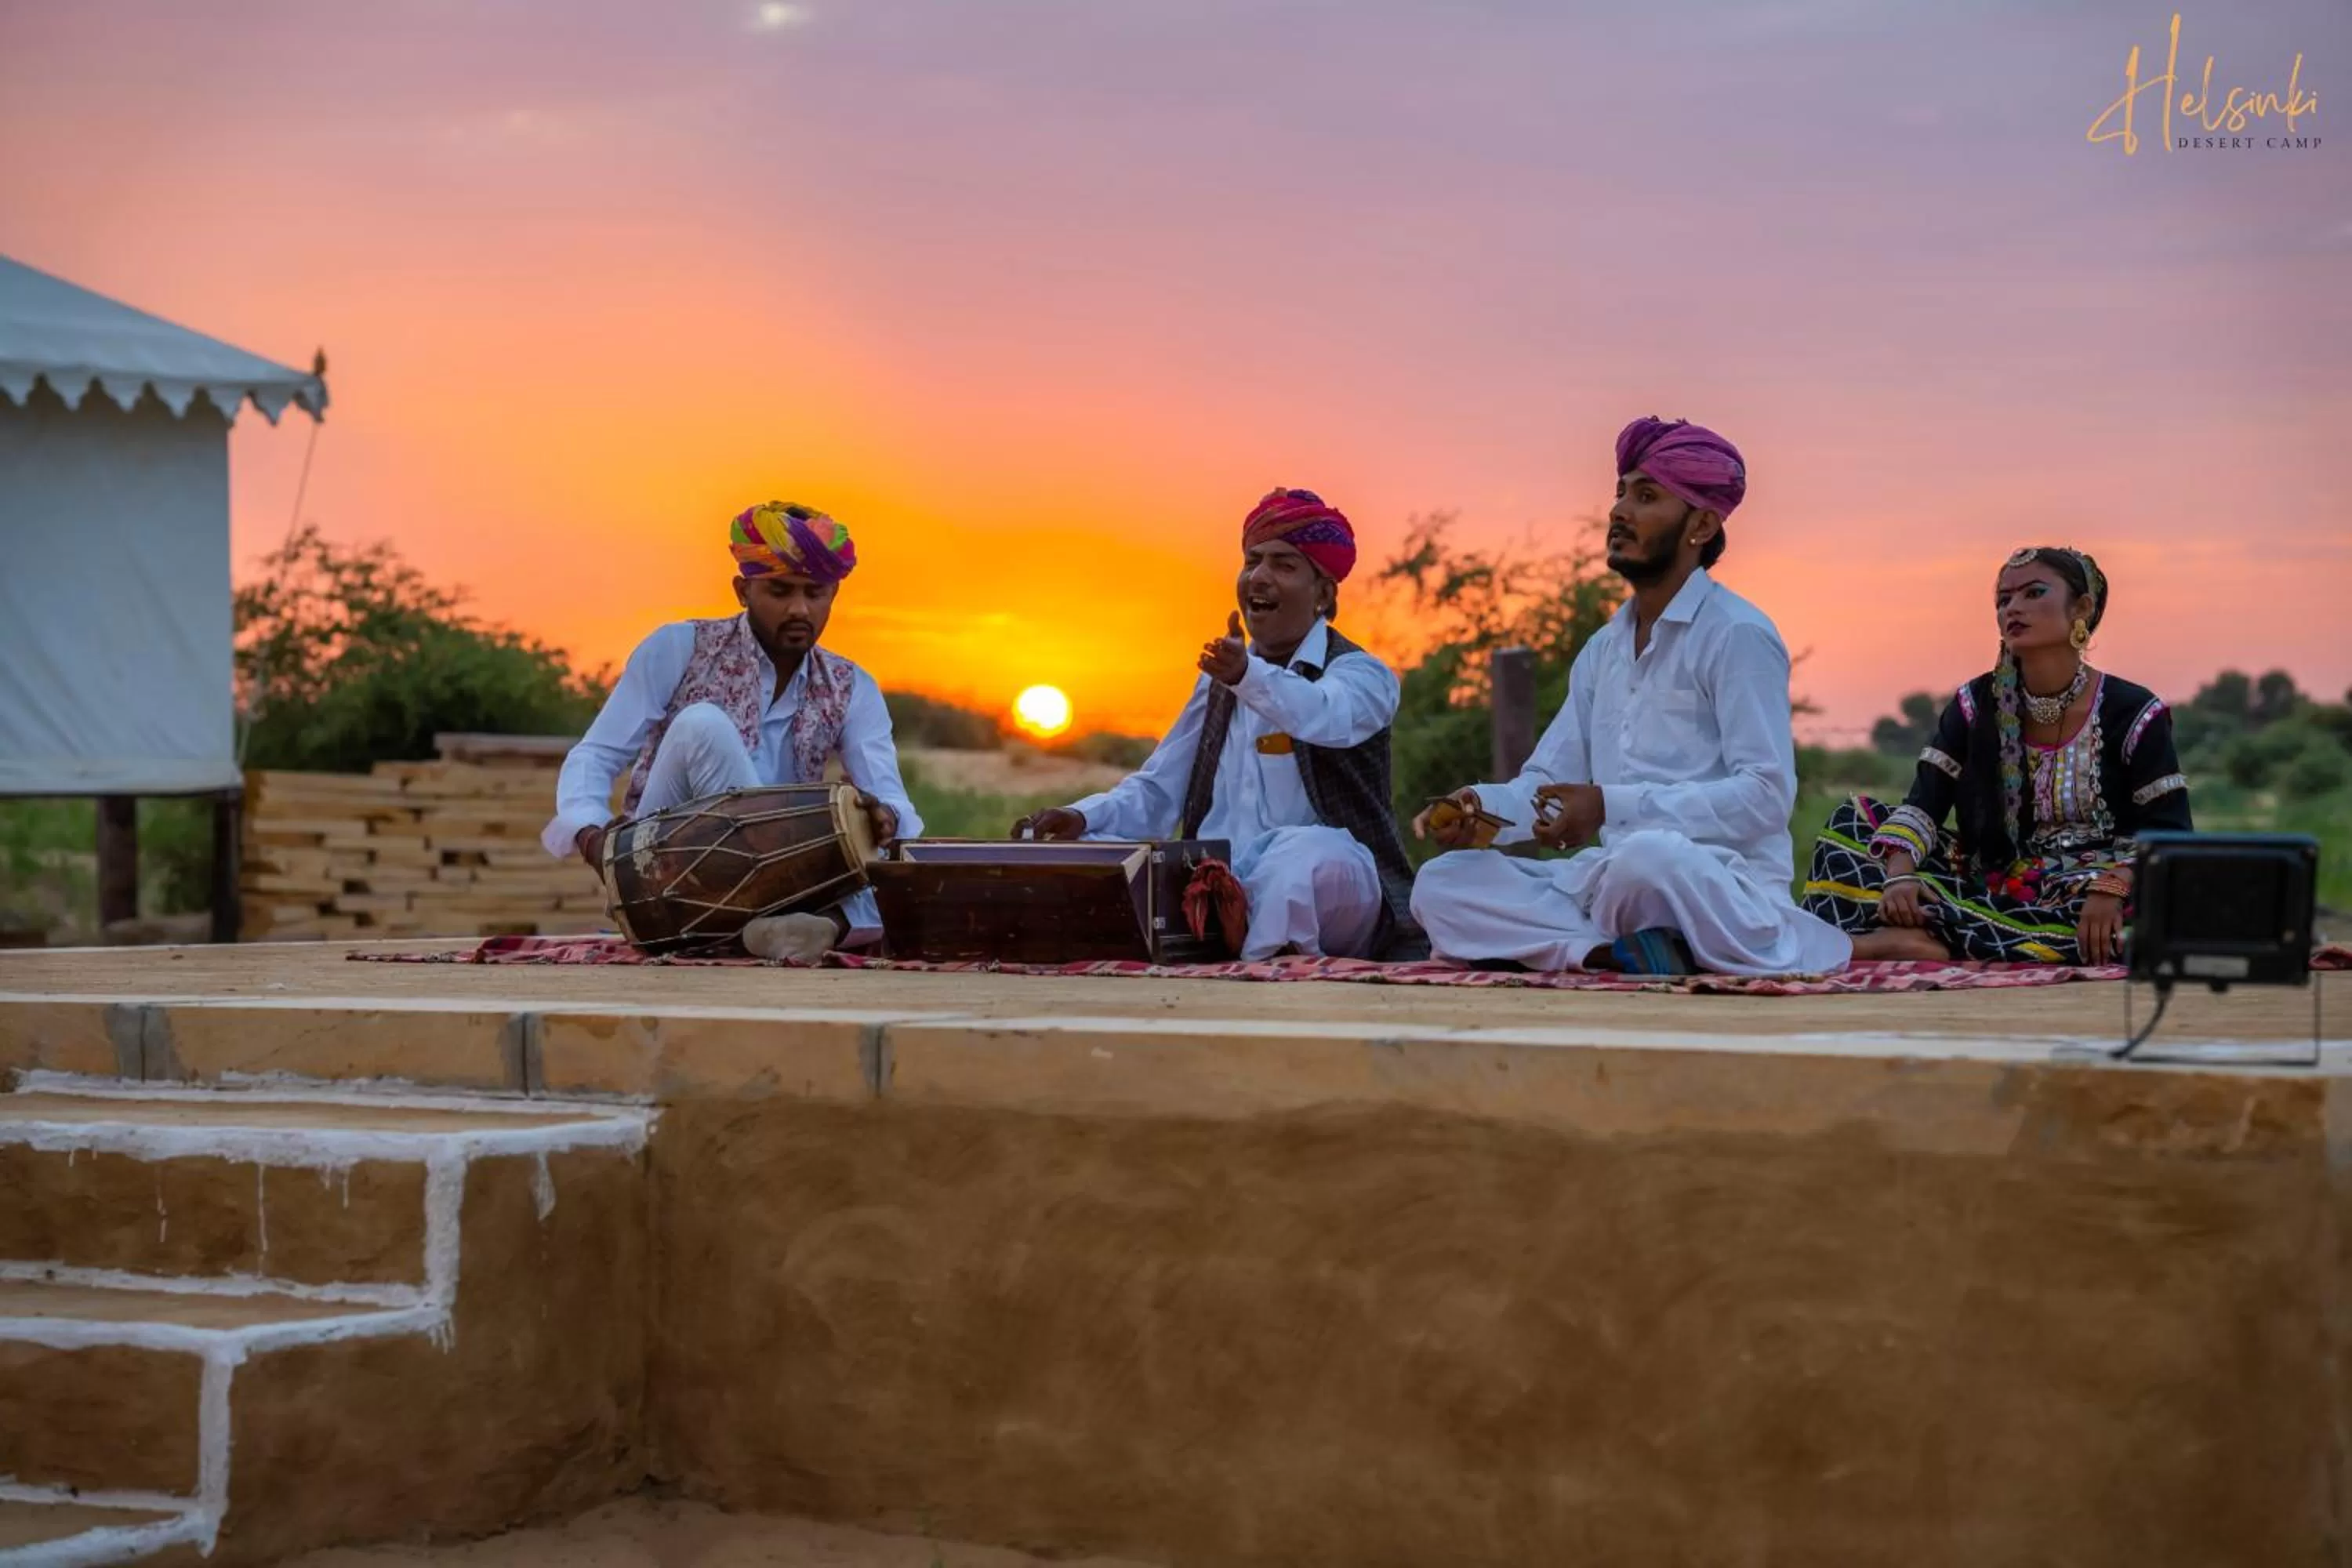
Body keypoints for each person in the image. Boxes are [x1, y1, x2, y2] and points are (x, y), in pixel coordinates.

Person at [1408, 417, 1851, 976]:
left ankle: (1625, 946)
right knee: (1443, 883)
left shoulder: (1737, 634)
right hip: (1610, 883)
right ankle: (1610, 955)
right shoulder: (1603, 650)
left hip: (1711, 884)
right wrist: (1481, 809)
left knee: (1647, 858)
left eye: (1646, 497)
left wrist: (1608, 805)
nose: (1619, 511)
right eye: (1620, 493)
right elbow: (1545, 785)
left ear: (1701, 525)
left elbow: (1765, 797)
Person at [1015, 488, 1425, 961]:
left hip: (1336, 890)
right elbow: (1160, 789)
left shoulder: (1361, 674)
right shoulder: (1220, 681)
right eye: (1253, 561)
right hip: (1219, 887)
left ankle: (1258, 966)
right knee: (1089, 851)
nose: (1261, 577)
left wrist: (1247, 677)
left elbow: (1323, 715)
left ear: (1324, 594)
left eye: (1285, 566)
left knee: (1307, 855)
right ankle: (1213, 938)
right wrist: (1085, 817)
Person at [542, 500, 920, 962]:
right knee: (702, 724)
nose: (800, 608)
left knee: (905, 876)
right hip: (670, 869)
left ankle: (798, 929)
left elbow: (898, 803)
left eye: (815, 593)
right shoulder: (678, 647)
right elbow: (595, 756)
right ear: (743, 591)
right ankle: (819, 925)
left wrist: (883, 820)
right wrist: (592, 837)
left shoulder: (852, 686)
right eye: (780, 591)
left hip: (792, 875)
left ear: (833, 595)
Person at [1801, 547, 2190, 964]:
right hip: (1988, 880)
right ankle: (1939, 932)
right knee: (1852, 824)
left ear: (2082, 607)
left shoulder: (2133, 711)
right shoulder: (1974, 703)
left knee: (2143, 914)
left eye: (2033, 593)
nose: (2013, 609)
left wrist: (2114, 885)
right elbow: (1923, 806)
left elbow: (2172, 833)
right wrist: (1901, 877)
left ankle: (1917, 939)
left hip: (2090, 888)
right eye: (2004, 600)